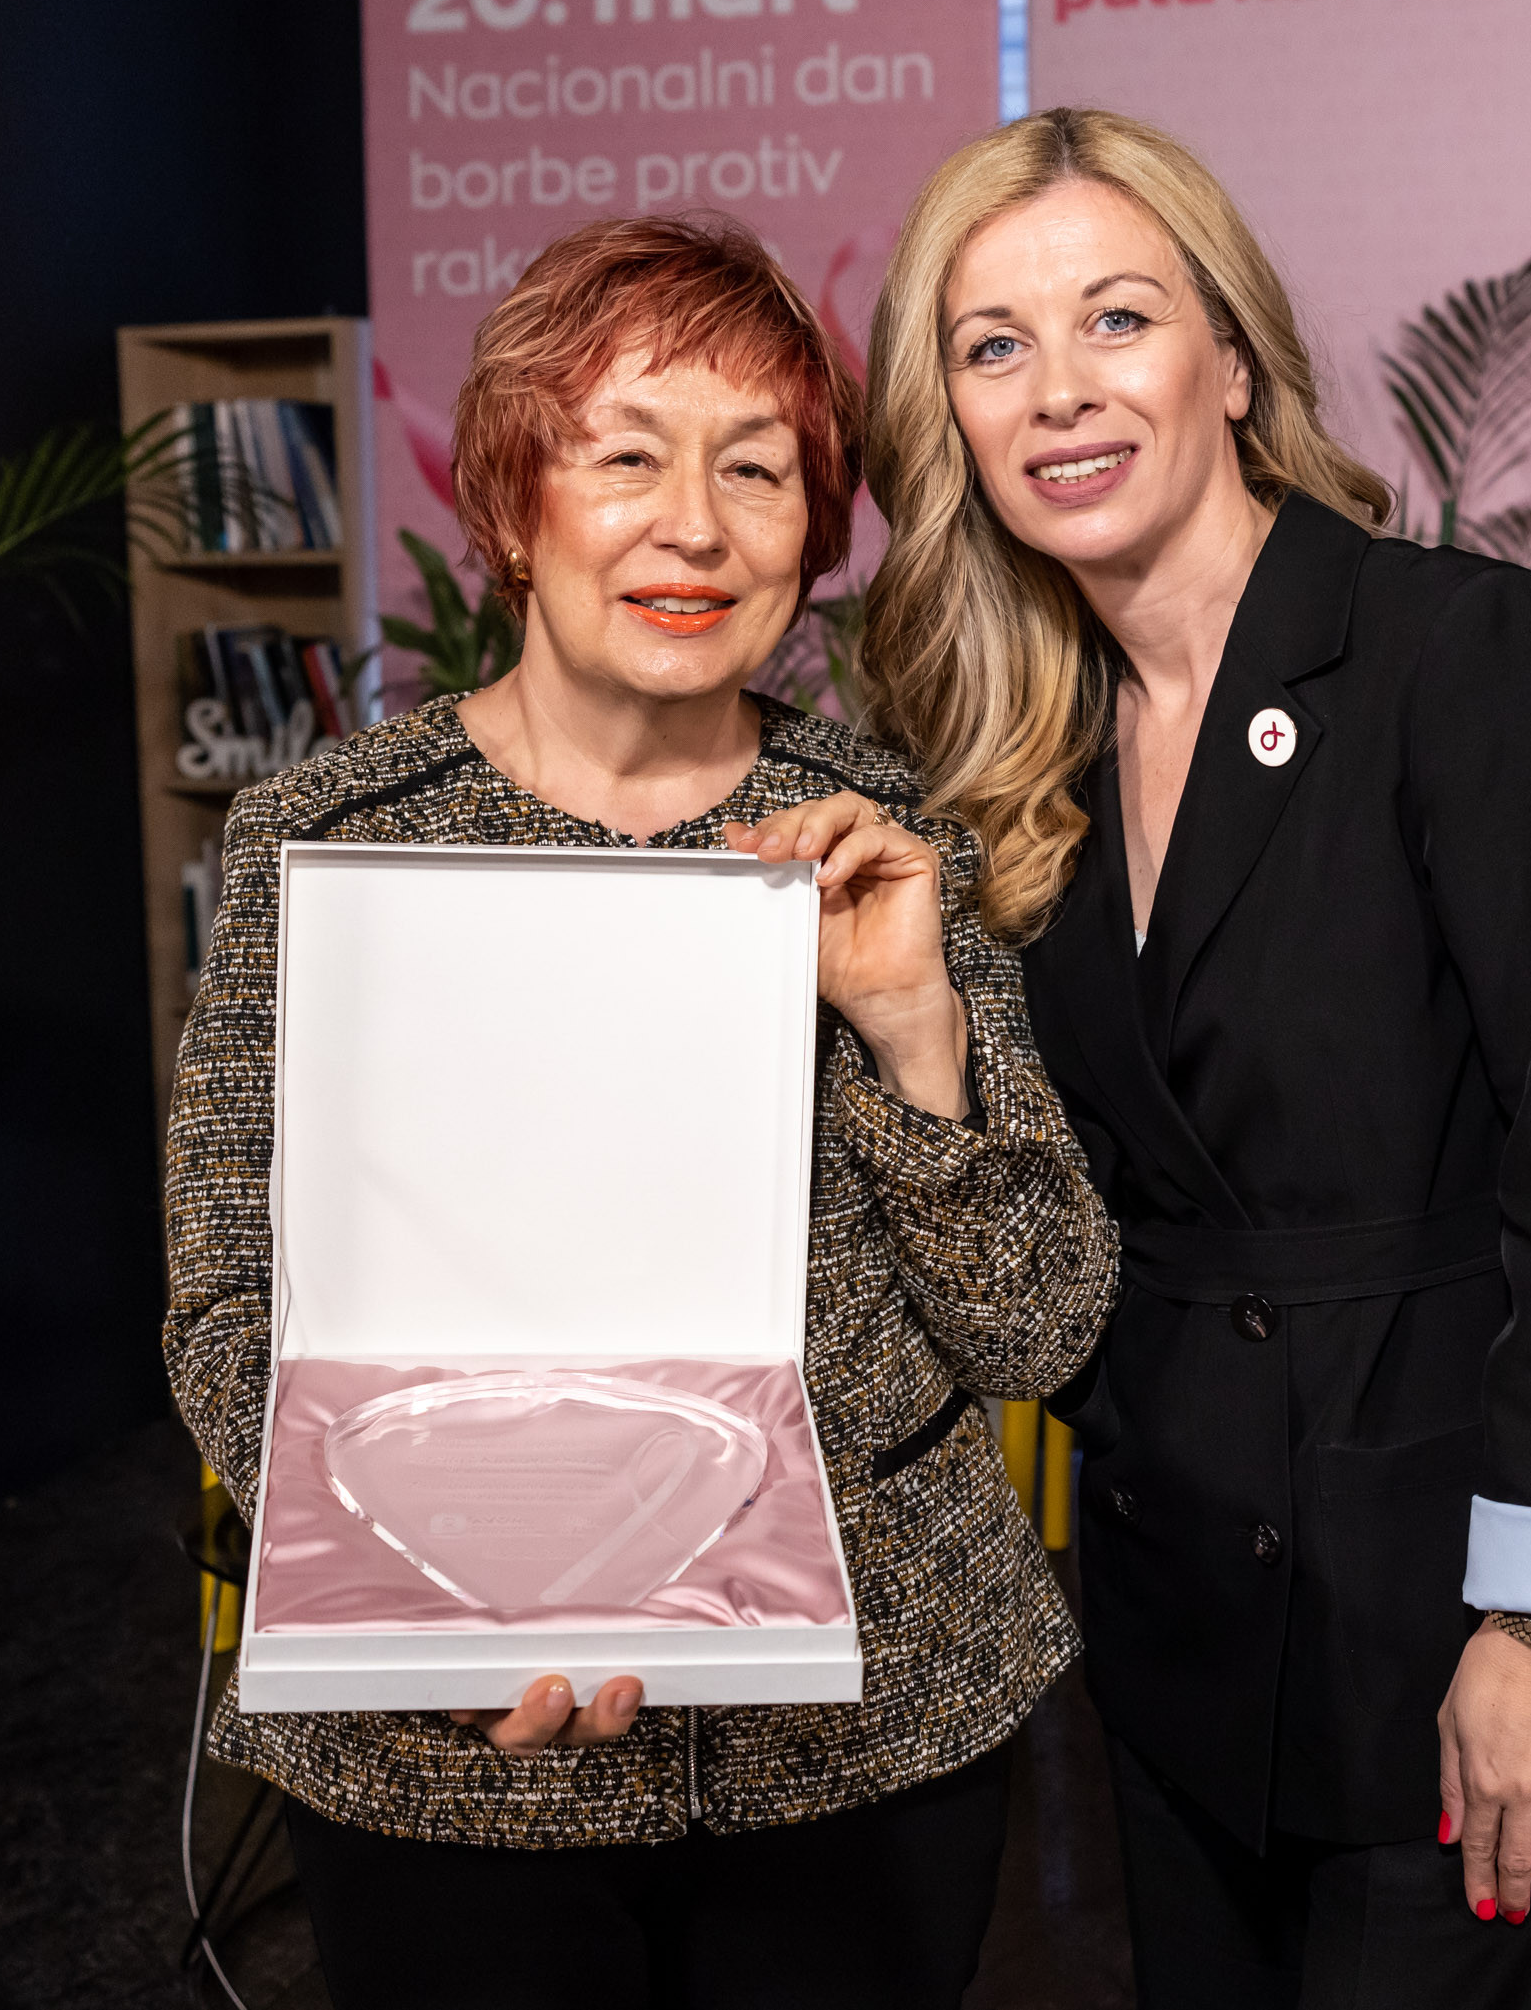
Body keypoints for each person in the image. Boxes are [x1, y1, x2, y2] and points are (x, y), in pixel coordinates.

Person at [161, 216, 1116, 2010]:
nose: (696, 525)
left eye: (756, 469)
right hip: (448, 1750)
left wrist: (913, 1026)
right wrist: (421, 1600)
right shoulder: (330, 842)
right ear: (515, 507)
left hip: (869, 1731)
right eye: (626, 458)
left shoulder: (883, 843)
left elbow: (1038, 1327)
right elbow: (227, 1306)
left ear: (811, 537)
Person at [857, 109, 1531, 2007]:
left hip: (1448, 1627)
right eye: (994, 346)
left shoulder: (1458, 652)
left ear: (1231, 362)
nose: (1060, 390)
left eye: (1118, 317)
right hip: (1178, 1630)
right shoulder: (1024, 769)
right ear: (955, 421)